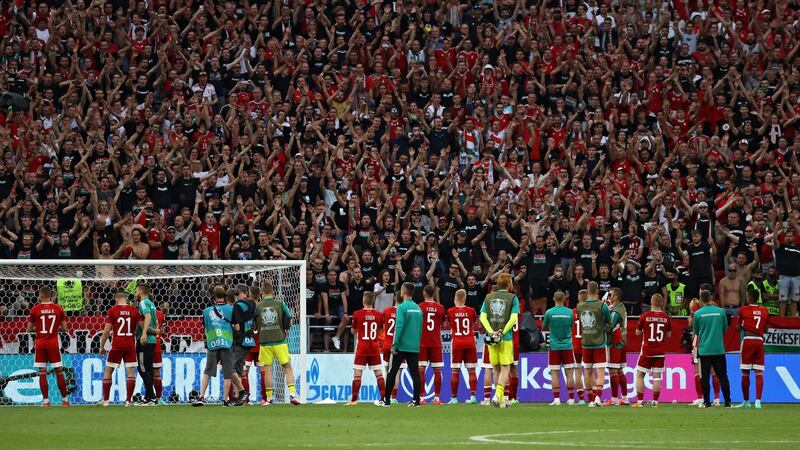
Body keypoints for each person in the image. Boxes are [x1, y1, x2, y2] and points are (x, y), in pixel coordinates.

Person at [194, 287, 247, 406]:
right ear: (225, 296)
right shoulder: (231, 309)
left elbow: (205, 327)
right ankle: (233, 396)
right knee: (228, 371)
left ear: (213, 296)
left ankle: (201, 397)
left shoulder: (206, 311)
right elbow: (237, 328)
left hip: (212, 343)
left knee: (207, 371)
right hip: (226, 343)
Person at [255, 281, 300, 405]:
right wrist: (285, 329)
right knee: (288, 368)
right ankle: (292, 395)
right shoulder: (280, 303)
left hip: (265, 342)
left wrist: (258, 329)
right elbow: (289, 316)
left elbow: (253, 322)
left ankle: (269, 399)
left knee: (268, 370)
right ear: (273, 291)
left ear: (262, 293)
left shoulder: (258, 306)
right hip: (280, 340)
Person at [479, 273, 520, 408]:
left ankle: (500, 400)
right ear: (509, 284)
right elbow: (513, 318)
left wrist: (491, 332)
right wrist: (503, 331)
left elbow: (482, 318)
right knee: (505, 367)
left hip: (492, 338)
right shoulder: (513, 298)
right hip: (505, 337)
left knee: (495, 368)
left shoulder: (488, 297)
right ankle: (498, 395)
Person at [28, 286, 70, 407]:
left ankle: (46, 402)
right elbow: (65, 328)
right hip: (53, 344)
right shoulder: (58, 309)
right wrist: (54, 327)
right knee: (59, 371)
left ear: (41, 295)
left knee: (42, 372)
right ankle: (65, 400)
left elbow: (29, 329)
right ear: (51, 295)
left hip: (40, 344)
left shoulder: (35, 309)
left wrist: (39, 328)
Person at [382, 282, 423, 407]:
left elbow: (398, 327)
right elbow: (420, 329)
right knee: (415, 373)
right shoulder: (418, 308)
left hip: (401, 346)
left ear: (403, 292)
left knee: (392, 372)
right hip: (414, 346)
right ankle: (416, 400)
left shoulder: (401, 308)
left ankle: (386, 400)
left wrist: (394, 344)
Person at [692, 289, 732, 408]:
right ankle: (728, 402)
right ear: (711, 298)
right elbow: (725, 329)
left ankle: (707, 402)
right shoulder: (721, 312)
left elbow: (696, 332)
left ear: (700, 299)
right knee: (723, 376)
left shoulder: (698, 314)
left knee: (705, 377)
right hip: (719, 349)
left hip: (704, 350)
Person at [99, 292, 139, 406]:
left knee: (108, 371)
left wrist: (102, 346)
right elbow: (138, 326)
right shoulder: (134, 310)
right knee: (130, 373)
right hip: (130, 344)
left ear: (117, 298)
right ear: (126, 298)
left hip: (117, 344)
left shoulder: (112, 310)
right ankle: (128, 401)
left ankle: (106, 400)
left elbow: (106, 331)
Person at [632, 294, 672, 408]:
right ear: (661, 303)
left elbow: (637, 333)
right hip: (660, 351)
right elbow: (669, 335)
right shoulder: (666, 317)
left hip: (647, 351)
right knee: (657, 377)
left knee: (640, 375)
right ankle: (655, 402)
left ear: (651, 302)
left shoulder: (644, 316)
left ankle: (640, 402)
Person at [347, 292, 386, 405]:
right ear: (373, 301)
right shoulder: (379, 315)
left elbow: (353, 331)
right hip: (374, 347)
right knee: (378, 373)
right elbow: (380, 331)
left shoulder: (357, 314)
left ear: (363, 301)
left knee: (358, 373)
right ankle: (384, 399)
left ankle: (354, 400)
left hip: (362, 348)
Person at [576, 281, 611, 407]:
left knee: (587, 371)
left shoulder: (580, 306)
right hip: (599, 342)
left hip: (586, 343)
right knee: (600, 371)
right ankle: (597, 398)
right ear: (597, 291)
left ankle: (590, 399)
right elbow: (609, 322)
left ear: (587, 290)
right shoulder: (602, 306)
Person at [735, 289, 769, 409]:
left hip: (748, 341)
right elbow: (766, 329)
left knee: (745, 373)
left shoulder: (743, 309)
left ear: (749, 297)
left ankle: (746, 401)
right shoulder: (765, 311)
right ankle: (758, 401)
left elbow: (738, 329)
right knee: (759, 373)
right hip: (759, 342)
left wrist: (739, 325)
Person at [542, 291, 576, 406]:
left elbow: (544, 326)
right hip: (567, 346)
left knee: (555, 373)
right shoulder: (570, 312)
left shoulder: (549, 312)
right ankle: (571, 399)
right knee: (570, 373)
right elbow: (572, 325)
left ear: (553, 299)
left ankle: (556, 399)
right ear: (565, 299)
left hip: (554, 346)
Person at [447, 289, 478, 404]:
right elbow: (474, 322)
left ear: (455, 298)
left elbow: (450, 323)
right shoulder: (471, 311)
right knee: (471, 370)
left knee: (455, 370)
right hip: (470, 342)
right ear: (465, 299)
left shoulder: (450, 311)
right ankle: (473, 397)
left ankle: (454, 398)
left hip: (457, 343)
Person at [418, 284, 446, 405]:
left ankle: (422, 398)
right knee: (437, 371)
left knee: (420, 370)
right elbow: (444, 325)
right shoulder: (441, 308)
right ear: (434, 294)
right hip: (435, 343)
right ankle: (437, 398)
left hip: (422, 342)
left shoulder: (419, 307)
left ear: (424, 293)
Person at [134, 283, 159, 406]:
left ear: (140, 292)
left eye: (136, 290)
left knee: (142, 368)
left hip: (145, 340)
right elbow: (156, 322)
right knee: (148, 369)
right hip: (152, 340)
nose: (135, 293)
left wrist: (143, 333)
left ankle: (153, 398)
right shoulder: (152, 304)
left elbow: (148, 317)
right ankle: (147, 397)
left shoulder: (143, 303)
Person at [231, 284, 256, 402]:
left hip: (240, 340)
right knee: (239, 368)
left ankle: (242, 392)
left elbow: (236, 325)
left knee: (228, 367)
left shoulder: (237, 306)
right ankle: (238, 397)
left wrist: (235, 334)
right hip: (250, 340)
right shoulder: (253, 303)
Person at [606, 288, 629, 406]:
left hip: (614, 343)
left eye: (610, 294)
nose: (609, 296)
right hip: (622, 341)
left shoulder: (616, 311)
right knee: (620, 370)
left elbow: (610, 326)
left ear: (615, 297)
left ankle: (614, 399)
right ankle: (624, 398)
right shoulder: (621, 307)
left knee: (613, 370)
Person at [573, 289, 588, 404]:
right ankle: (592, 397)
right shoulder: (591, 311)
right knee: (589, 371)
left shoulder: (571, 312)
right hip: (588, 344)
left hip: (575, 345)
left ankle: (581, 398)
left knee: (577, 371)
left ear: (578, 299)